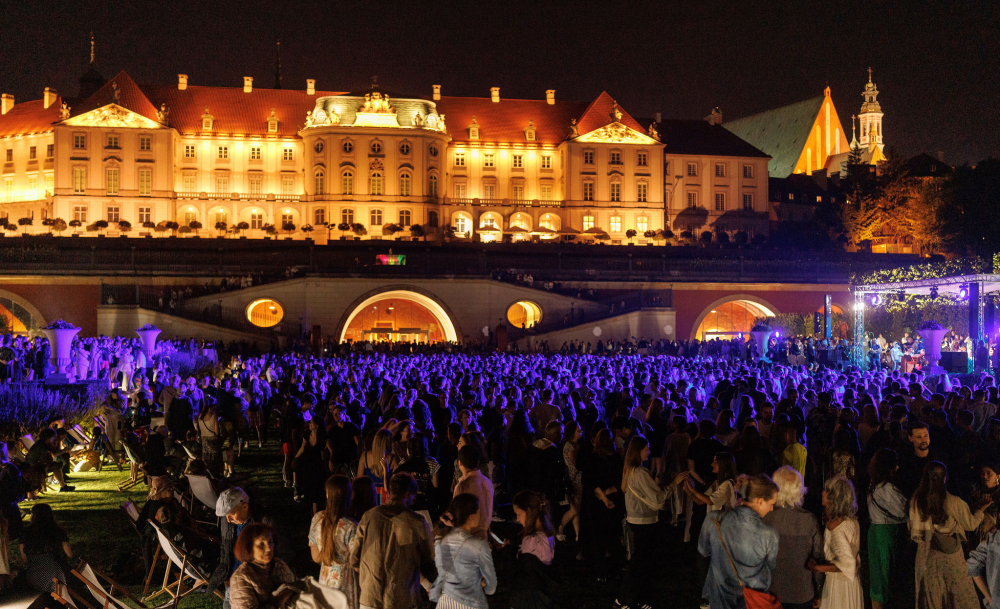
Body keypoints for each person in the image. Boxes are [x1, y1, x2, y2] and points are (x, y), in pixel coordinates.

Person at [617, 436, 686, 609]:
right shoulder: (640, 472)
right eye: (646, 449)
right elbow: (658, 497)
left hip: (635, 519)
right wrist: (673, 483)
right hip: (644, 521)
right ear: (638, 451)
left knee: (639, 561)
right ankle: (628, 599)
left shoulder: (630, 471)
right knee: (640, 562)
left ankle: (630, 598)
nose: (648, 451)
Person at [350, 473, 436, 609]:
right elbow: (428, 560)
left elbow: (354, 559)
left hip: (370, 598)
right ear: (409, 493)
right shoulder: (417, 522)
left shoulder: (369, 517)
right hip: (401, 599)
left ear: (389, 491)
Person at [910, 461, 988, 609]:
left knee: (932, 595)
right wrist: (980, 511)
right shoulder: (953, 502)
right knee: (958, 594)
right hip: (950, 555)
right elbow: (970, 524)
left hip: (925, 554)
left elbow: (913, 529)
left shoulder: (916, 500)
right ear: (945, 478)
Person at [697, 475, 779, 609]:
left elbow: (702, 558)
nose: (772, 509)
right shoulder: (769, 535)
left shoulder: (713, 520)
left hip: (716, 599)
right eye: (771, 504)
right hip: (747, 603)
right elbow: (766, 575)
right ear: (760, 501)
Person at [763, 466, 823, 609]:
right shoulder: (809, 520)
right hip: (802, 591)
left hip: (772, 590)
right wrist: (819, 591)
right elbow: (817, 558)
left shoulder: (765, 518)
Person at [430, 493, 497, 609]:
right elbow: (491, 588)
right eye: (478, 512)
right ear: (471, 516)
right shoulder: (479, 545)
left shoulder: (441, 540)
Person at [806, 476, 863, 609]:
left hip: (840, 585)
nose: (822, 493)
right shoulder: (852, 522)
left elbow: (847, 564)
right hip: (850, 583)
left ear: (834, 497)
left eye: (826, 490)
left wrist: (817, 568)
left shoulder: (836, 527)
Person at [866, 449, 908, 609]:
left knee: (878, 576)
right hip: (885, 534)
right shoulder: (887, 487)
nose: (897, 468)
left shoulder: (873, 484)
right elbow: (904, 511)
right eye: (894, 464)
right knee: (884, 576)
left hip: (877, 531)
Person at [309, 475, 359, 609]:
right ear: (350, 495)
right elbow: (357, 563)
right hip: (345, 581)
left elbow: (315, 557)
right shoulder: (350, 527)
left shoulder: (317, 519)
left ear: (327, 494)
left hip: (326, 579)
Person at [509, 490, 557, 609]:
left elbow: (522, 569)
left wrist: (509, 552)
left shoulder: (530, 541)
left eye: (518, 514)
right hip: (544, 596)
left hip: (528, 597)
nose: (517, 519)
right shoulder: (549, 537)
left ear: (529, 511)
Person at [229, 523, 296, 609]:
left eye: (270, 542)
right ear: (249, 548)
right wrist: (277, 603)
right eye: (261, 544)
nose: (269, 548)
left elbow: (296, 585)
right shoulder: (241, 578)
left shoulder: (279, 564)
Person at [19, 503, 72, 593]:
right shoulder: (58, 531)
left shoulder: (25, 533)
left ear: (33, 516)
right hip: (58, 576)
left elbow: (25, 559)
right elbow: (70, 554)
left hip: (34, 577)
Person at [453, 444, 494, 539]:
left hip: (466, 537)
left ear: (460, 463)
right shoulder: (486, 482)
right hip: (483, 536)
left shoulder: (461, 486)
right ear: (478, 462)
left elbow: (457, 514)